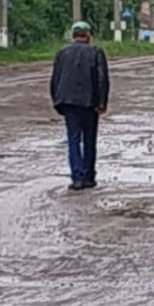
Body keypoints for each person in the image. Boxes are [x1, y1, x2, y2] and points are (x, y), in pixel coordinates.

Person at [50, 22, 110, 191]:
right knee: (90, 140)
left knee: (73, 140)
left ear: (73, 35)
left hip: (68, 103)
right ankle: (89, 177)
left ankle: (77, 178)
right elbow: (102, 79)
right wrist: (102, 102)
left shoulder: (62, 53)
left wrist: (57, 101)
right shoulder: (96, 52)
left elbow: (55, 79)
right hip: (90, 103)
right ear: (88, 35)